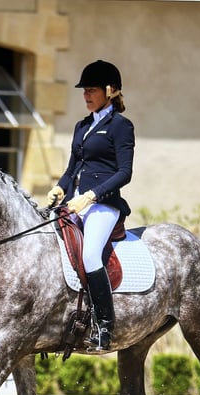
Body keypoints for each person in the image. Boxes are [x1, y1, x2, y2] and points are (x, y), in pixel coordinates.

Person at [47, 60, 134, 351]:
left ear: (110, 91)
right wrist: (60, 186)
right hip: (75, 202)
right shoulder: (82, 126)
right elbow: (73, 169)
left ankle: (105, 326)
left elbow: (125, 173)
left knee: (90, 256)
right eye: (84, 90)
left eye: (92, 89)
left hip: (103, 205)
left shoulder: (121, 126)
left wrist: (92, 195)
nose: (86, 95)